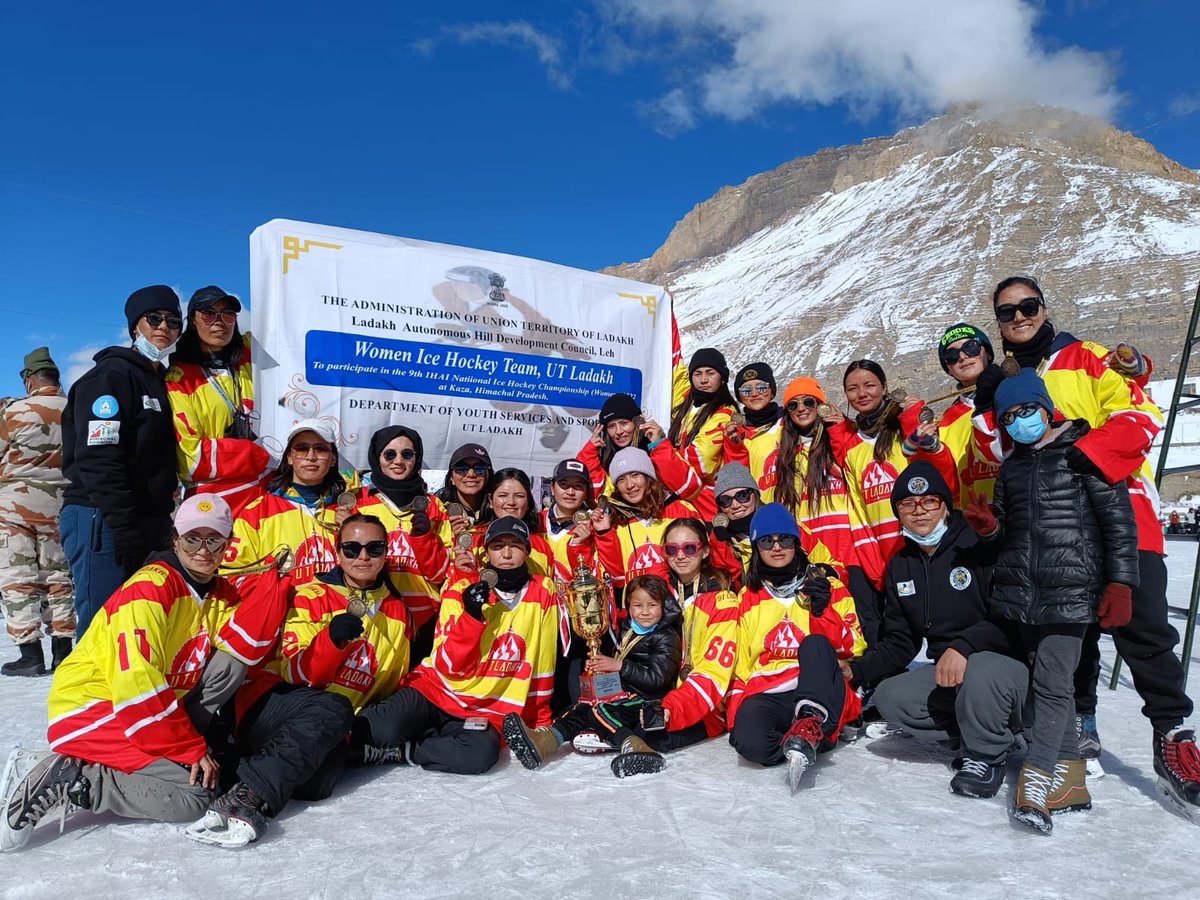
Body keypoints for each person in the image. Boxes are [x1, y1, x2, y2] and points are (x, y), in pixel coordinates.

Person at [974, 275, 1199, 820]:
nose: (1019, 317)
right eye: (1007, 312)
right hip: (1049, 529)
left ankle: (1172, 735)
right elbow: (992, 444)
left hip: (1115, 509)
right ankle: (1077, 728)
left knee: (1143, 627)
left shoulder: (1088, 358)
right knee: (1063, 632)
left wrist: (1087, 454)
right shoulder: (1004, 381)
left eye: (1027, 306)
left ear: (1044, 307)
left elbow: (1140, 414)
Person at [0, 495, 284, 852]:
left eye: (214, 540)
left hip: (145, 706)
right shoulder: (151, 588)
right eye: (192, 538)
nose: (203, 550)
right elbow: (136, 679)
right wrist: (188, 748)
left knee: (231, 662)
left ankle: (152, 756)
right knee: (194, 797)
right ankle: (75, 778)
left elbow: (235, 656)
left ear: (227, 545)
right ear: (175, 539)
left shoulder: (217, 592)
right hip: (95, 706)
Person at [971, 370, 1139, 833]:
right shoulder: (1012, 466)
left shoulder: (1086, 454)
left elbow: (1119, 525)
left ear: (1047, 409)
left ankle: (1038, 778)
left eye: (1027, 411)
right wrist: (989, 527)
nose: (1021, 421)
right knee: (1051, 683)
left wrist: (1121, 584)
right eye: (1010, 417)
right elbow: (1006, 533)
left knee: (1051, 681)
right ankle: (1071, 778)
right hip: (1025, 593)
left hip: (1072, 589)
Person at [185, 515, 410, 847]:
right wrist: (331, 641)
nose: (363, 556)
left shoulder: (396, 611)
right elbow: (296, 672)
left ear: (385, 553)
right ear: (337, 553)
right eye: (352, 548)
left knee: (319, 783)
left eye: (374, 548)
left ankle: (235, 768)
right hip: (277, 705)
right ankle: (250, 794)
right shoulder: (311, 594)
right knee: (333, 706)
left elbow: (390, 681)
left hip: (330, 726)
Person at [847, 461, 1026, 800]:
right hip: (951, 671)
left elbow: (1010, 617)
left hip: (1005, 664)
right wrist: (854, 670)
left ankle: (986, 755)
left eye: (929, 501)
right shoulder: (901, 564)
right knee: (890, 696)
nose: (919, 511)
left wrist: (965, 646)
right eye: (908, 504)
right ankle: (985, 729)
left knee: (981, 669)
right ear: (897, 512)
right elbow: (901, 642)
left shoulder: (978, 543)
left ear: (945, 505)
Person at [348, 517, 560, 774]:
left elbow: (543, 660)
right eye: (497, 545)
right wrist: (471, 617)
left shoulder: (542, 591)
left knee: (480, 754)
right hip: (436, 690)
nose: (506, 553)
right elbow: (447, 666)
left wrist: (539, 722)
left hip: (485, 708)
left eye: (514, 545)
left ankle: (405, 750)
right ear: (486, 552)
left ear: (527, 550)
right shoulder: (461, 588)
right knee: (372, 730)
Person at [60, 285, 181, 636]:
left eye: (173, 321)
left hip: (147, 519)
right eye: (154, 318)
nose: (164, 327)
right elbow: (99, 459)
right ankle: (89, 693)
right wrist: (124, 528)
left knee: (140, 625)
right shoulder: (110, 377)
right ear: (134, 327)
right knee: (104, 626)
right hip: (103, 517)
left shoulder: (160, 381)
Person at [727, 504, 865, 794]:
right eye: (766, 541)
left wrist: (822, 611)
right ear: (756, 547)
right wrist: (738, 716)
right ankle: (802, 740)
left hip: (817, 685)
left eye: (785, 539)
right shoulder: (748, 597)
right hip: (770, 689)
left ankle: (812, 723)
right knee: (752, 746)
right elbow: (742, 665)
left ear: (797, 542)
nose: (777, 547)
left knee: (814, 644)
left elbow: (853, 647)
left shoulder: (827, 587)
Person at [824, 360, 954, 646]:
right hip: (877, 549)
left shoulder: (905, 432)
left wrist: (911, 416)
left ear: (885, 387)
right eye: (852, 389)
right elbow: (856, 494)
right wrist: (836, 429)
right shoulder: (853, 445)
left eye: (870, 385)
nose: (861, 394)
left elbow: (932, 459)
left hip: (917, 541)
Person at [503, 571, 682, 777]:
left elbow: (657, 679)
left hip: (648, 701)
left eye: (652, 605)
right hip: (624, 694)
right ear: (629, 606)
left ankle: (639, 749)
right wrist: (599, 665)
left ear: (663, 606)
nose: (645, 612)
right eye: (638, 605)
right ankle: (544, 741)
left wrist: (619, 666)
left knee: (599, 710)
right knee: (582, 706)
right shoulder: (626, 628)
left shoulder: (666, 636)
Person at [339, 425, 448, 659]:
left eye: (407, 454)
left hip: (425, 621)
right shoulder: (357, 504)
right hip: (374, 616)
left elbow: (441, 574)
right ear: (377, 457)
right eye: (389, 454)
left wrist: (425, 538)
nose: (398, 461)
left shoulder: (434, 507)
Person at [0, 348, 75, 676]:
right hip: (61, 507)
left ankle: (30, 654)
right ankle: (63, 652)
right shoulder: (76, 409)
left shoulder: (15, 412)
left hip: (14, 509)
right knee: (59, 577)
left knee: (18, 578)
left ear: (29, 379)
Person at [165, 285, 268, 510]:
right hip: (212, 504)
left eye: (228, 313)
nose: (219, 321)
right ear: (192, 321)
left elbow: (284, 321)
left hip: (263, 496)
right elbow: (190, 459)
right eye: (209, 314)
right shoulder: (178, 380)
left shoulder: (250, 356)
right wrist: (260, 454)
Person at [224, 419, 345, 585]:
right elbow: (233, 576)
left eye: (320, 449)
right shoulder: (257, 513)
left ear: (332, 459)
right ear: (289, 457)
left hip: (339, 609)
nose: (311, 457)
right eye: (302, 448)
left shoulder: (348, 510)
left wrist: (352, 531)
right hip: (285, 610)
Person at [770, 377, 857, 582]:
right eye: (793, 404)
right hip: (811, 552)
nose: (801, 408)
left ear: (820, 405)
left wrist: (840, 429)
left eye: (808, 401)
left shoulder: (838, 439)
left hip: (848, 550)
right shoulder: (785, 456)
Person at [591, 448, 699, 589]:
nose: (629, 485)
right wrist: (604, 533)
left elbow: (702, 558)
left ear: (649, 477)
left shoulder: (681, 509)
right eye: (622, 479)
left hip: (681, 601)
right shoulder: (616, 521)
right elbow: (617, 578)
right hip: (637, 607)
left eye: (635, 475)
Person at [934, 324, 999, 504]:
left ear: (988, 353)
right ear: (948, 369)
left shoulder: (1016, 392)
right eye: (951, 356)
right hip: (975, 521)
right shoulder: (945, 422)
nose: (963, 357)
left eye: (971, 347)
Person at [663, 348, 736, 489]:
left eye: (710, 373)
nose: (703, 380)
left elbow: (701, 460)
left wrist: (661, 453)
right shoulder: (685, 400)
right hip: (676, 487)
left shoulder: (725, 413)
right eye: (697, 374)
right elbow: (673, 365)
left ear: (722, 378)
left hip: (704, 497)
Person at [723, 363, 783, 492]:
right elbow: (736, 477)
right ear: (740, 398)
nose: (754, 394)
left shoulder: (789, 421)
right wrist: (733, 445)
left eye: (761, 388)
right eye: (746, 390)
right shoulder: (736, 432)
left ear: (772, 391)